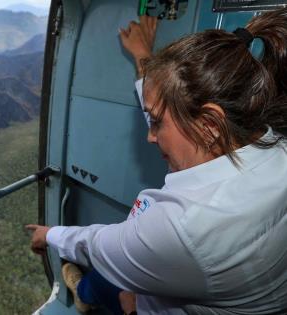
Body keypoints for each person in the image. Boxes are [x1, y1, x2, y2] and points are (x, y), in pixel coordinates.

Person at [27, 7, 287, 315]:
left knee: (108, 284)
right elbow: (172, 104)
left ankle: (86, 295)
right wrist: (142, 54)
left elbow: (99, 245)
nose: (151, 137)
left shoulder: (184, 226)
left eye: (157, 123)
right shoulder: (276, 147)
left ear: (210, 126)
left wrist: (51, 235)